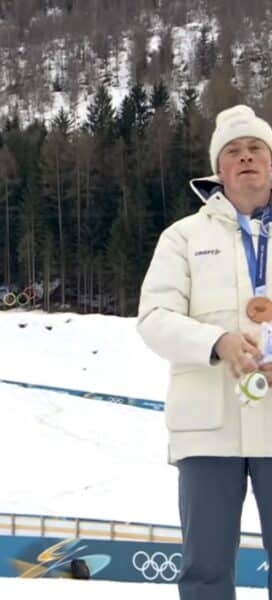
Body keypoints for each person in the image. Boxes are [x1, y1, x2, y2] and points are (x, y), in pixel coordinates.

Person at [138, 104, 272, 600]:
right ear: (218, 170)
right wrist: (216, 342)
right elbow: (154, 319)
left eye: (256, 148)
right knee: (205, 572)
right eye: (233, 152)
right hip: (207, 430)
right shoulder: (183, 237)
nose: (245, 158)